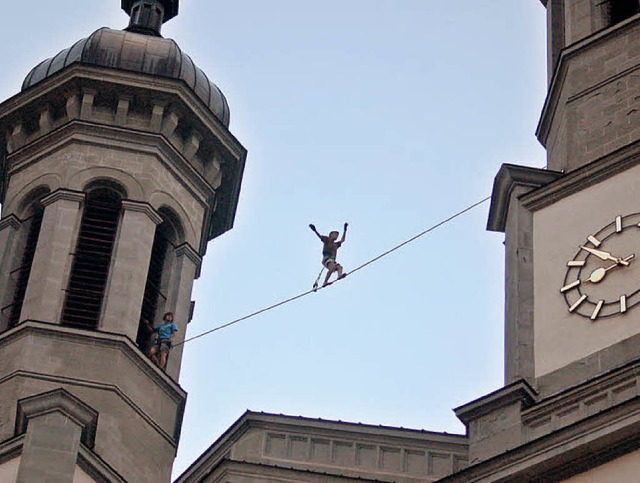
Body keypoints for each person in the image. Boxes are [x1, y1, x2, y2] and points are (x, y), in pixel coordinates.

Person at [309, 222, 348, 287]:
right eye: (335, 235)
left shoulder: (335, 245)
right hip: (326, 258)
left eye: (337, 236)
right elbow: (320, 236)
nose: (336, 236)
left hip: (332, 260)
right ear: (330, 235)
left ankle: (339, 276)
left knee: (339, 267)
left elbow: (342, 240)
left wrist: (345, 230)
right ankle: (325, 282)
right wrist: (315, 230)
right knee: (332, 267)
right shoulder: (327, 240)